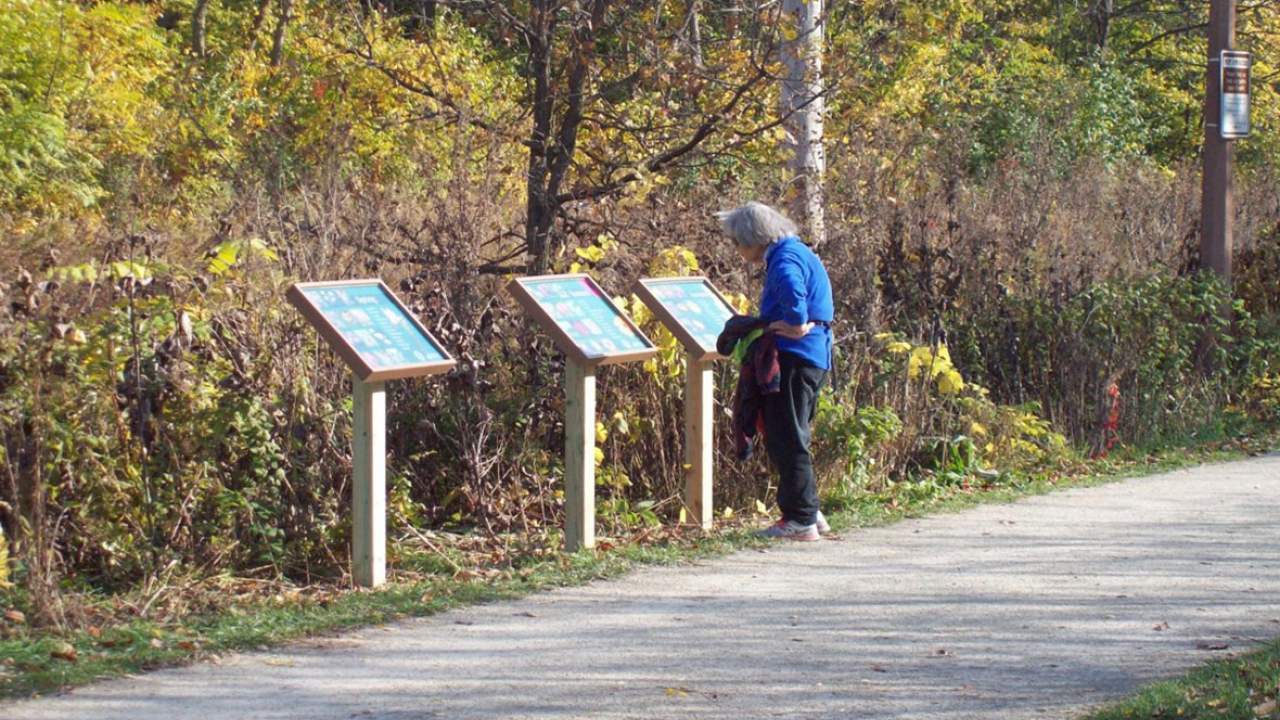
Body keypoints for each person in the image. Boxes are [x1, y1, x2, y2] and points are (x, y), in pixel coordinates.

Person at [717, 202, 834, 541]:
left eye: (737, 242)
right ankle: (809, 509)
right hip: (813, 357)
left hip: (795, 358)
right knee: (792, 434)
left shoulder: (783, 260)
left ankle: (800, 520)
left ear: (753, 238)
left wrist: (796, 324)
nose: (736, 248)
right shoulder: (797, 251)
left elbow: (792, 291)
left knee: (786, 437)